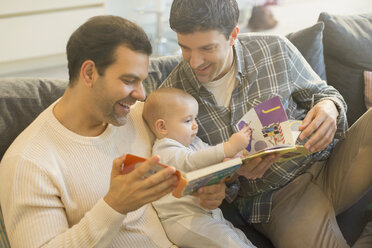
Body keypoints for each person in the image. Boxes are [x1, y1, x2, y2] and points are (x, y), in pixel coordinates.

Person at [159, 0, 372, 247]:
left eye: (207, 48)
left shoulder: (274, 48)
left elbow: (323, 93)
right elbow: (192, 173)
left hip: (332, 161)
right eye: (184, 48)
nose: (195, 62)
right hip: (279, 197)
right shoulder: (171, 100)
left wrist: (329, 108)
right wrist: (230, 177)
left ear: (233, 35)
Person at [0, 15, 227, 247]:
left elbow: (185, 163)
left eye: (142, 81)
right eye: (129, 80)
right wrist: (115, 206)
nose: (140, 94)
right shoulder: (28, 164)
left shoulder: (141, 117)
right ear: (89, 73)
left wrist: (208, 192)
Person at [143, 87, 255, 247]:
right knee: (229, 243)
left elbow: (212, 156)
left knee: (239, 239)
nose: (195, 126)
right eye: (188, 121)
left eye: (195, 119)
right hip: (183, 220)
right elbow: (192, 161)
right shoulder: (164, 149)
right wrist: (229, 146)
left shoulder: (194, 142)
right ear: (162, 127)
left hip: (208, 214)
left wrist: (233, 157)